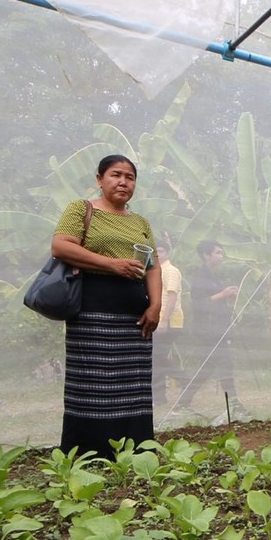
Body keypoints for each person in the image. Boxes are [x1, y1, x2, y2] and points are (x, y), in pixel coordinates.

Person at [49, 154, 161, 457]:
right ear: (99, 179)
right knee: (93, 383)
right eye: (115, 175)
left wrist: (156, 305)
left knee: (133, 386)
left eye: (130, 177)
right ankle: (90, 451)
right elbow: (61, 246)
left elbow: (152, 267)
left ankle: (137, 448)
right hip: (92, 308)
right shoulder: (81, 209)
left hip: (136, 314)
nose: (123, 182)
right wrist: (112, 265)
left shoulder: (140, 222)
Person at [184, 240, 239, 408]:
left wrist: (227, 295)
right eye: (217, 253)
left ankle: (183, 402)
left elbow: (215, 300)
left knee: (209, 369)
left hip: (218, 330)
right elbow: (198, 304)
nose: (221, 257)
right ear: (206, 255)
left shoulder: (213, 276)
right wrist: (222, 294)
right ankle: (235, 405)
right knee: (221, 367)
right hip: (208, 331)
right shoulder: (200, 277)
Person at [153, 233, 184, 406]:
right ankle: (159, 398)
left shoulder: (170, 271)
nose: (158, 255)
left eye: (161, 251)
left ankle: (186, 379)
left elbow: (171, 296)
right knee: (158, 359)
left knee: (158, 358)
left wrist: (164, 321)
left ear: (168, 253)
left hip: (169, 321)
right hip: (159, 321)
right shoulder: (156, 270)